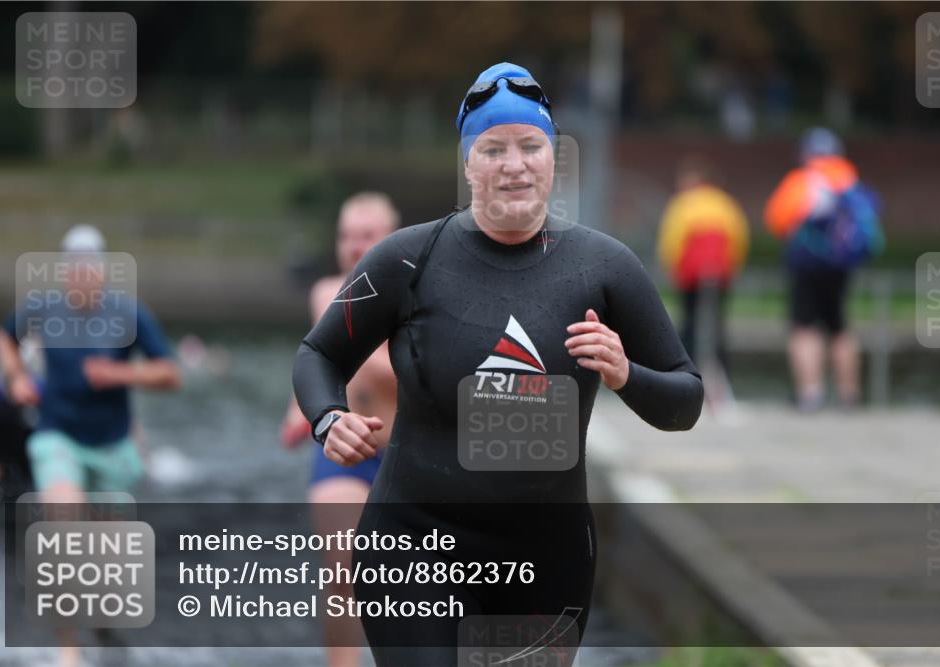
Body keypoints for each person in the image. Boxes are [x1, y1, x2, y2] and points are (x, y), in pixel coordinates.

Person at [293, 62, 703, 666]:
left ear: (553, 159)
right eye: (493, 149)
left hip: (545, 556)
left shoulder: (606, 268)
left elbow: (684, 401)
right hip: (413, 542)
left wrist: (624, 373)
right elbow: (319, 354)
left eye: (530, 146)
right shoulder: (405, 261)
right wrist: (329, 419)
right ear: (467, 164)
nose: (513, 165)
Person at [0, 224, 181, 667]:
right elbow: (6, 338)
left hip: (112, 446)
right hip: (57, 436)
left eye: (90, 265)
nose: (82, 273)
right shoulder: (41, 309)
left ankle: (101, 622)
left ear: (103, 270)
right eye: (74, 265)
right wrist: (17, 377)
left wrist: (121, 375)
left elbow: (171, 374)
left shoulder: (128, 314)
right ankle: (68, 651)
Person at [280, 192, 400, 667]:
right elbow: (318, 366)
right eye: (346, 236)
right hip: (343, 452)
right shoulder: (325, 293)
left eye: (367, 236)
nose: (354, 246)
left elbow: (394, 372)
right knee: (343, 573)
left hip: (407, 455)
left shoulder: (420, 298)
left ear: (392, 240)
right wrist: (297, 412)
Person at [765, 127, 883, 411]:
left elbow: (776, 220)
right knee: (840, 326)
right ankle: (848, 395)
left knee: (805, 327)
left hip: (807, 266)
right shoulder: (850, 181)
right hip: (841, 267)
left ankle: (810, 394)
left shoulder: (802, 181)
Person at [657, 156, 749, 412]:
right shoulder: (725, 204)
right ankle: (722, 388)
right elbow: (739, 240)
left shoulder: (683, 204)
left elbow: (672, 241)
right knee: (717, 328)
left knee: (688, 326)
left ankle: (683, 379)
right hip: (719, 276)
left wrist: (671, 268)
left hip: (690, 276)